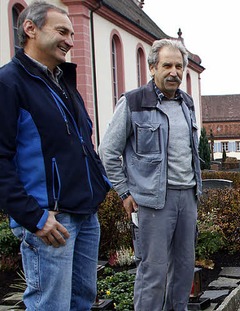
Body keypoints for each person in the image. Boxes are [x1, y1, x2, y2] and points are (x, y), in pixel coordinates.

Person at [0, 1, 110, 310]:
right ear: (30, 29)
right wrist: (34, 217)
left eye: (73, 34)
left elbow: (82, 142)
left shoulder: (62, 82)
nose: (71, 41)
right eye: (62, 31)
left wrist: (99, 188)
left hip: (85, 214)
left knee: (82, 302)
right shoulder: (9, 83)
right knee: (51, 306)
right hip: (51, 221)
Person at [99, 39, 202, 310]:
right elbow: (107, 152)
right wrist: (124, 192)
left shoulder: (187, 103)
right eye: (167, 65)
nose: (174, 72)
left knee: (183, 270)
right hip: (153, 202)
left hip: (187, 197)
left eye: (179, 66)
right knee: (153, 273)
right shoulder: (133, 102)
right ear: (152, 67)